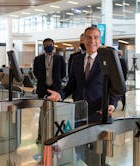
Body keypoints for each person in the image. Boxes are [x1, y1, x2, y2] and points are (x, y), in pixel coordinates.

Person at [47, 26, 118, 166]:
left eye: (96, 37)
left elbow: (115, 88)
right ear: (83, 39)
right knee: (79, 149)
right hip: (79, 113)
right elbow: (71, 85)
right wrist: (60, 94)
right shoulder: (76, 60)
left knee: (99, 152)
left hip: (100, 113)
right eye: (89, 37)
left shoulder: (108, 60)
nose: (92, 41)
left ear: (100, 40)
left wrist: (111, 105)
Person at [33, 38, 66, 143]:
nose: (48, 46)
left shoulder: (59, 58)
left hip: (56, 89)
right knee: (43, 113)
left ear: (53, 45)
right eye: (46, 45)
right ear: (43, 46)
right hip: (42, 89)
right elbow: (35, 72)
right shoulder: (38, 59)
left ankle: (55, 135)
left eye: (50, 44)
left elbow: (63, 73)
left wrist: (55, 81)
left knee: (56, 112)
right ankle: (40, 135)